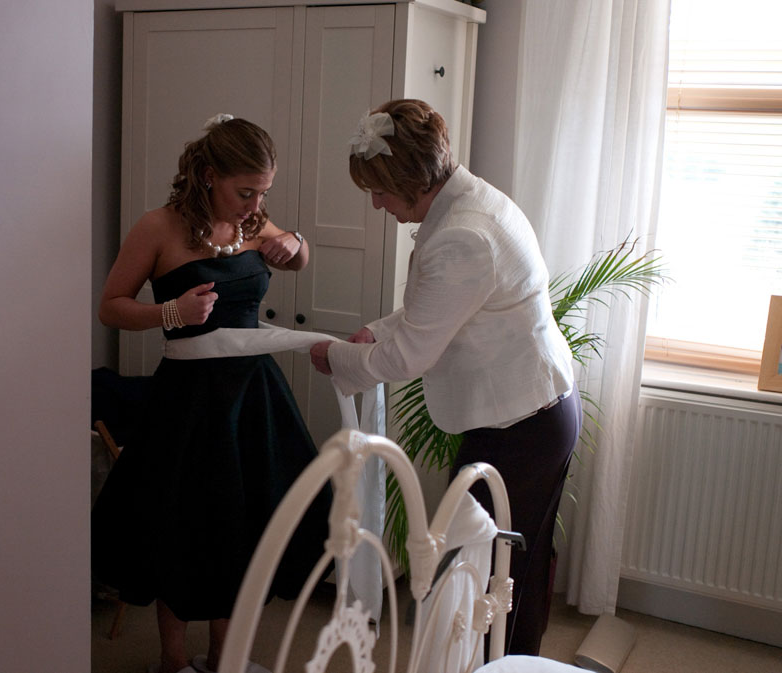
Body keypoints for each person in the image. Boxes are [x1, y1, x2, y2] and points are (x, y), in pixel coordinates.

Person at [309, 99, 581, 656]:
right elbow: (440, 311)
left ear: (410, 180)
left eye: (379, 192)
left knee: (490, 569)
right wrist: (374, 330)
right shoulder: (472, 200)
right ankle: (504, 662)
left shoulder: (463, 236)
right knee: (506, 564)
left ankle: (498, 664)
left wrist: (336, 357)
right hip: (535, 407)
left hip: (520, 427)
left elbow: (408, 358)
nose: (378, 206)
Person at [92, 114, 328, 673]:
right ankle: (173, 662)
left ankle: (225, 660)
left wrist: (294, 243)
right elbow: (111, 306)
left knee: (244, 528)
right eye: (244, 192)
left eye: (263, 193)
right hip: (188, 403)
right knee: (182, 528)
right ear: (206, 175)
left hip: (253, 399)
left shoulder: (254, 224)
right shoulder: (158, 228)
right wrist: (171, 311)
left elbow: (299, 255)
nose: (253, 204)